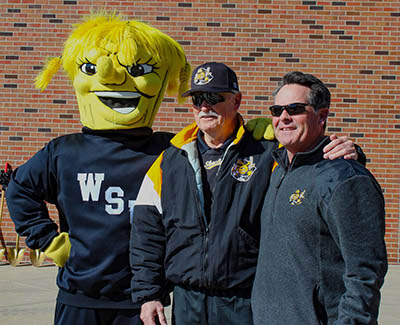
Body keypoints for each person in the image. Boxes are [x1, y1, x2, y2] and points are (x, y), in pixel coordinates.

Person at [130, 63, 362, 325]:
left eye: (213, 98)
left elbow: (309, 155)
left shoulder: (266, 152)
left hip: (246, 300)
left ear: (236, 100)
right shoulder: (169, 160)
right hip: (188, 301)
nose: (204, 107)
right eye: (197, 99)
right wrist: (148, 294)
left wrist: (348, 152)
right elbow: (146, 233)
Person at [5, 14, 190, 325]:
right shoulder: (65, 151)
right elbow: (19, 189)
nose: (112, 77)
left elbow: (220, 156)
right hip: (79, 294)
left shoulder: (171, 150)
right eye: (91, 68)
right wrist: (50, 240)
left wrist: (256, 134)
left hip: (143, 299)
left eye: (140, 71)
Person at [251, 71, 388, 324]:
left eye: (295, 108)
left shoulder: (344, 178)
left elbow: (365, 272)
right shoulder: (277, 169)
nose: (283, 117)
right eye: (277, 109)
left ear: (321, 116)